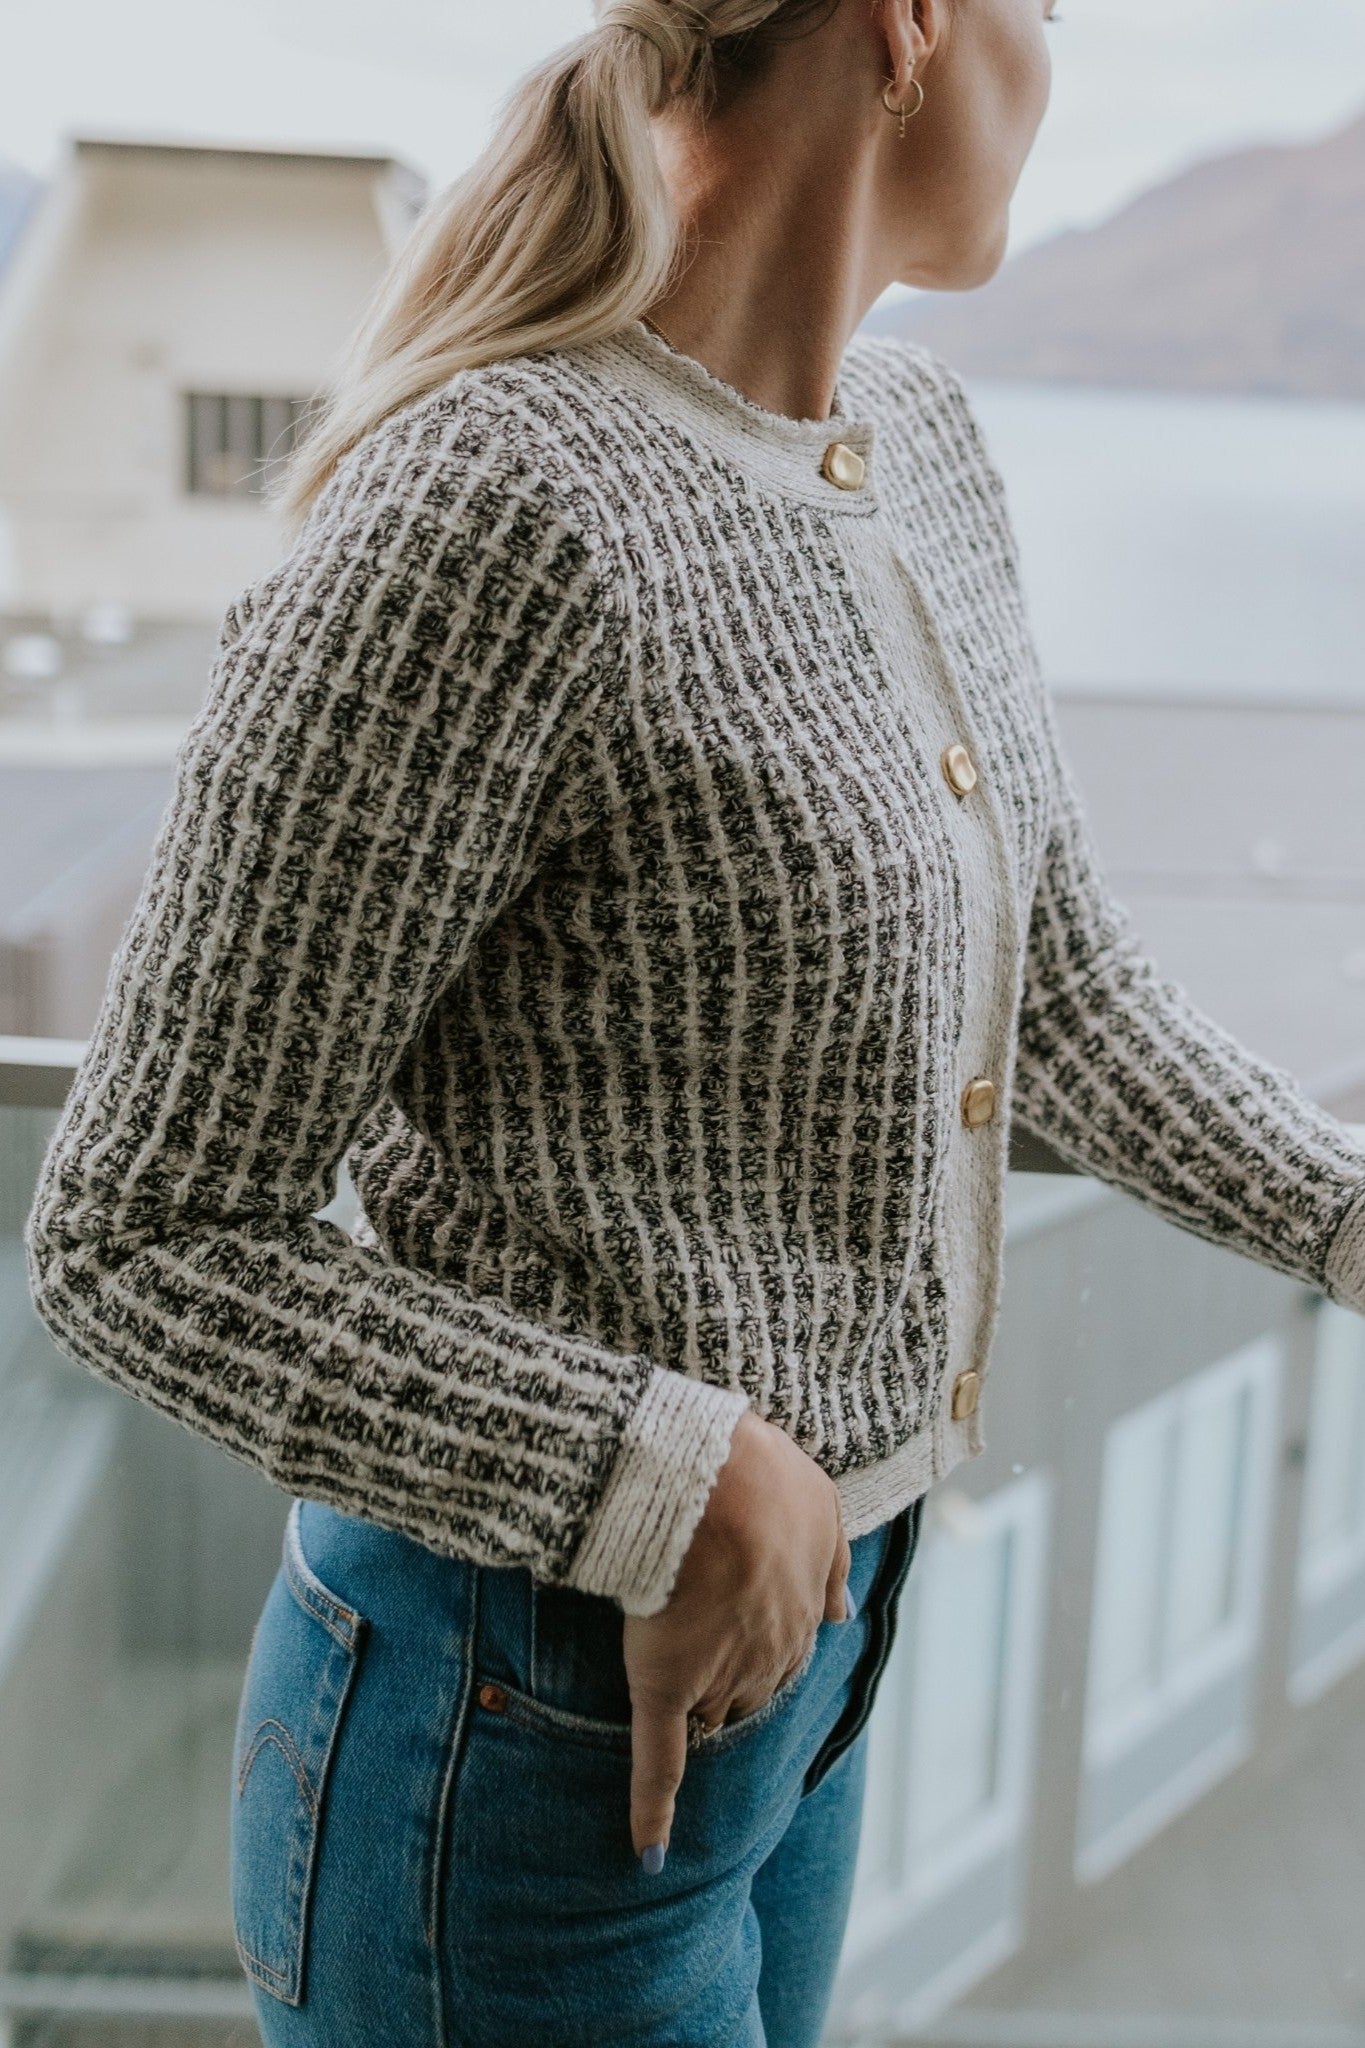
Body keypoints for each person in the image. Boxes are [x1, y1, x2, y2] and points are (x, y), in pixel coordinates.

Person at [24, 0, 1365, 2042]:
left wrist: (1349, 1219)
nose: (1054, 63)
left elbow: (1063, 997)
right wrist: (664, 1464)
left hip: (796, 1692)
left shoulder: (915, 446)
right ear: (906, 23)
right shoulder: (490, 509)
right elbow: (136, 1230)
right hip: (513, 1729)